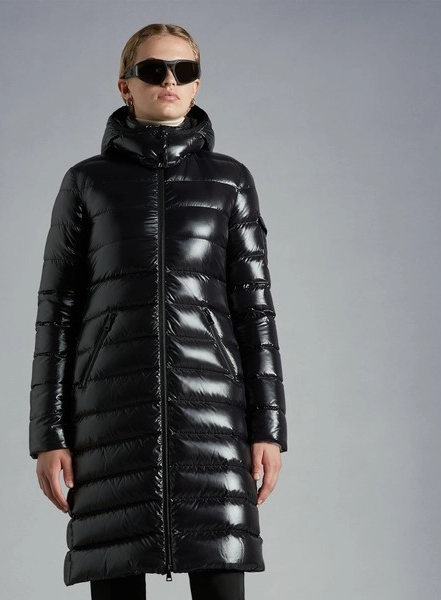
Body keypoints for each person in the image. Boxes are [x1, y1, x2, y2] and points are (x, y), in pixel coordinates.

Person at [29, 23, 288, 600]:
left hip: (213, 420)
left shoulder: (230, 181)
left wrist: (269, 429)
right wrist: (49, 435)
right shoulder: (86, 184)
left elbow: (256, 312)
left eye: (183, 70)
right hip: (108, 424)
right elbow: (57, 314)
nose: (169, 80)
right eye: (152, 70)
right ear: (125, 86)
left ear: (197, 85)